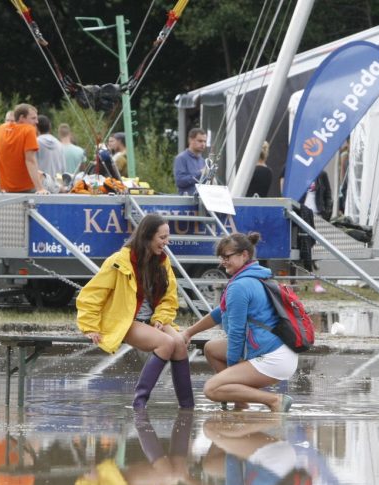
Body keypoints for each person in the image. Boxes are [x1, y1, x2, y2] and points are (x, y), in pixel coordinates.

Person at [75, 213, 193, 409]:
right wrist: (90, 326)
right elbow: (91, 294)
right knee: (166, 343)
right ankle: (139, 403)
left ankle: (188, 407)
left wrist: (161, 318)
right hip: (126, 320)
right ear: (147, 236)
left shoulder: (162, 262)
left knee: (179, 344)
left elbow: (169, 298)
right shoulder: (119, 260)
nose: (167, 242)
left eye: (167, 237)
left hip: (152, 320)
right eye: (162, 237)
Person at [182, 232, 296, 413]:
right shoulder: (255, 277)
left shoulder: (240, 286)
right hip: (280, 350)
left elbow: (236, 334)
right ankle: (241, 402)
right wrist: (190, 332)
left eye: (227, 256)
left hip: (273, 358)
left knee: (211, 389)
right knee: (211, 348)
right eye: (221, 257)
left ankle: (274, 401)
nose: (222, 262)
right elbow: (221, 312)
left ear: (244, 255)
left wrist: (232, 374)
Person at [0, 104, 48, 194]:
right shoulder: (29, 130)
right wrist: (40, 189)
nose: (37, 122)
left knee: (42, 174)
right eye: (33, 118)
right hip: (28, 187)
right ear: (22, 118)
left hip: (7, 189)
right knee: (50, 181)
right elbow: (30, 161)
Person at [36, 115, 67, 189]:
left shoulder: (35, 143)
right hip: (56, 187)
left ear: (36, 128)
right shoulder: (59, 144)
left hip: (41, 187)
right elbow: (62, 169)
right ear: (49, 127)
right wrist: (60, 186)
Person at [174, 127, 207, 195]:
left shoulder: (203, 161)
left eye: (205, 141)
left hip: (201, 201)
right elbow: (180, 182)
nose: (203, 144)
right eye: (200, 141)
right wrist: (200, 173)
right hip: (186, 202)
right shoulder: (181, 158)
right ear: (191, 140)